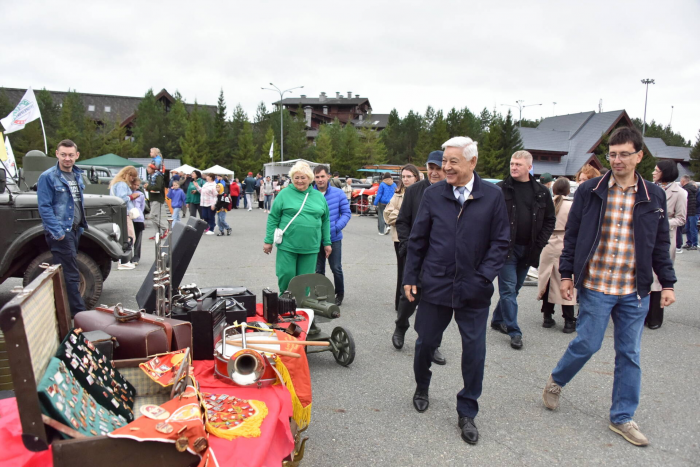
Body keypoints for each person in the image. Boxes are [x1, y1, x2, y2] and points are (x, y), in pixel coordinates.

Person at [542, 126, 677, 447]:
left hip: (635, 290)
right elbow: (572, 237)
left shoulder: (653, 195)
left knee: (629, 353)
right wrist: (566, 276)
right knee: (588, 343)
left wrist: (667, 283)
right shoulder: (590, 191)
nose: (616, 160)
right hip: (598, 286)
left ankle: (622, 417)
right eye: (612, 155)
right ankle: (557, 379)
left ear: (639, 156)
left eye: (623, 154)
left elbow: (659, 242)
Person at [403, 136, 510, 445]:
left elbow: (501, 241)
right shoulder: (434, 194)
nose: (446, 167)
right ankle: (422, 386)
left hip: (473, 290)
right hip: (435, 284)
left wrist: (483, 277)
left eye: (453, 162)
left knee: (474, 352)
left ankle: (467, 411)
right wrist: (411, 276)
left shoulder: (492, 196)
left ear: (472, 163)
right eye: (444, 161)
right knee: (425, 344)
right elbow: (419, 239)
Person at [491, 151, 556, 350]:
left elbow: (549, 220)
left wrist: (540, 244)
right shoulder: (499, 189)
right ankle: (514, 331)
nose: (514, 167)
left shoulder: (541, 192)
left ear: (529, 167)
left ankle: (497, 319)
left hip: (529, 249)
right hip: (505, 249)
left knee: (515, 288)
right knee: (509, 289)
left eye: (518, 164)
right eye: (512, 163)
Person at [393, 151, 447, 365]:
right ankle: (401, 325)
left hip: (442, 258)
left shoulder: (452, 192)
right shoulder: (415, 191)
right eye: (430, 168)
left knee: (438, 303)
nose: (434, 172)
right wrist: (407, 244)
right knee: (410, 297)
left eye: (438, 168)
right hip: (416, 254)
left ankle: (432, 344)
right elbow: (402, 221)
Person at [263, 161, 331, 296]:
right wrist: (268, 240)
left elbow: (325, 220)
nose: (299, 181)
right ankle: (285, 300)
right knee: (286, 274)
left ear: (310, 179)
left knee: (305, 279)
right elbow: (273, 218)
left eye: (303, 177)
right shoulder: (284, 194)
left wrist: (327, 242)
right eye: (296, 177)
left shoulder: (318, 197)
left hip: (310, 246)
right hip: (288, 244)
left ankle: (301, 305)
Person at [36, 139, 88, 316]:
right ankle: (78, 315)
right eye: (64, 154)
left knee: (69, 271)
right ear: (57, 154)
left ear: (77, 156)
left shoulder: (77, 175)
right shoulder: (48, 177)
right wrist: (58, 234)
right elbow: (44, 207)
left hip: (75, 230)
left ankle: (64, 312)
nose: (67, 158)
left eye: (71, 155)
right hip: (62, 231)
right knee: (71, 274)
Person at [646, 160, 686, 329]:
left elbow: (681, 218)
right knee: (645, 275)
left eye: (657, 170)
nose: (653, 173)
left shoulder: (680, 193)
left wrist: (661, 221)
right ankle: (642, 313)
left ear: (665, 172)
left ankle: (655, 317)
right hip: (646, 236)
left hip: (665, 236)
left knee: (659, 277)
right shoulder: (649, 188)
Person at [537, 178, 576, 332]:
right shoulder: (572, 205)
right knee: (565, 280)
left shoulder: (547, 203)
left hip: (547, 243)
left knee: (547, 279)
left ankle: (547, 316)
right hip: (565, 243)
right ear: (568, 190)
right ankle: (568, 320)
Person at [383, 164, 420, 311]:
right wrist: (404, 216)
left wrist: (401, 214)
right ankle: (401, 303)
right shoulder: (397, 194)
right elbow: (388, 215)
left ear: (416, 177)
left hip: (418, 238)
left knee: (418, 270)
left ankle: (416, 300)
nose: (405, 179)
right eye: (403, 176)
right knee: (403, 271)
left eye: (409, 176)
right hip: (400, 239)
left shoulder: (422, 193)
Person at [313, 165, 351, 306]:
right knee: (318, 269)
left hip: (334, 238)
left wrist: (335, 227)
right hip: (316, 239)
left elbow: (346, 213)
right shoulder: (310, 193)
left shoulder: (338, 193)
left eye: (322, 176)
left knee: (336, 267)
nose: (320, 180)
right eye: (317, 177)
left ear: (328, 176)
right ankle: (320, 294)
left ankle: (339, 293)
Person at [109, 166, 138, 270]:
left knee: (123, 237)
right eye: (132, 177)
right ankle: (123, 261)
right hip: (124, 213)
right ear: (128, 175)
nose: (133, 179)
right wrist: (131, 197)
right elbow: (121, 199)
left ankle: (124, 260)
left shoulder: (115, 183)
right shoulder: (122, 184)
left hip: (118, 213)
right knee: (129, 237)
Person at [145, 163, 166, 240]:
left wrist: (148, 187)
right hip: (152, 198)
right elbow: (151, 187)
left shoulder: (158, 176)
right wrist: (147, 188)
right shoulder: (150, 176)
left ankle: (165, 229)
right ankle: (157, 234)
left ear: (153, 169)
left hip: (157, 198)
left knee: (152, 216)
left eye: (149, 168)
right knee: (155, 217)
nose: (147, 169)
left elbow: (158, 187)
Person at [680, 175, 698, 250]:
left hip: (690, 211)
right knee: (689, 228)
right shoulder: (694, 188)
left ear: (683, 181)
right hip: (692, 211)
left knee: (691, 228)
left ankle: (693, 244)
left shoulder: (685, 189)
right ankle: (690, 243)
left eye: (681, 181)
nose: (680, 182)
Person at [130, 178, 146, 266]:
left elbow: (142, 207)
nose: (136, 187)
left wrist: (139, 215)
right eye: (134, 185)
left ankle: (136, 256)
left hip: (138, 218)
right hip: (129, 217)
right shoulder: (127, 193)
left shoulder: (141, 195)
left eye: (137, 185)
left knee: (138, 238)